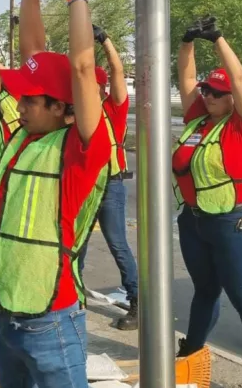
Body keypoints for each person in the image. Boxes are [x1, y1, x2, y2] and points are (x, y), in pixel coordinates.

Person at [0, 0, 110, 388]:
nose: (19, 105)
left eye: (31, 101)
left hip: (50, 320)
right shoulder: (27, 134)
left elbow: (81, 66)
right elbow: (33, 51)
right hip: (3, 313)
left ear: (63, 108)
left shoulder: (80, 149)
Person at [172, 16, 242, 379]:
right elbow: (185, 79)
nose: (207, 96)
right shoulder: (200, 119)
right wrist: (186, 42)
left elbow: (241, 80)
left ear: (233, 99)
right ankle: (189, 360)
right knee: (205, 292)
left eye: (216, 93)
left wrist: (219, 39)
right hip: (195, 221)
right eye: (206, 91)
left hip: (234, 223)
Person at [77, 25, 139, 331]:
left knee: (118, 244)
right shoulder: (78, 111)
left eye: (94, 85)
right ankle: (73, 298)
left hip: (111, 185)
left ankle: (138, 301)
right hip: (86, 186)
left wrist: (105, 39)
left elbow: (117, 70)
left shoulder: (113, 108)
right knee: (78, 243)